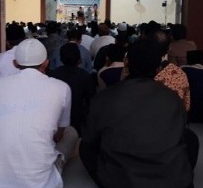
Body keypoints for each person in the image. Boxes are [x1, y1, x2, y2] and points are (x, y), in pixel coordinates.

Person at [80, 39, 193, 188]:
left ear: (126, 62)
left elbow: (90, 139)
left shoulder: (105, 97)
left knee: (85, 146)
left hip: (120, 181)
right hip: (172, 181)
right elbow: (180, 129)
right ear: (159, 69)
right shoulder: (172, 97)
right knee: (191, 139)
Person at [0, 38, 78, 188]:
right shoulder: (62, 88)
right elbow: (59, 135)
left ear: (15, 63)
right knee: (71, 132)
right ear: (46, 63)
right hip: (41, 183)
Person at [50, 43, 96, 137]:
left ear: (61, 59)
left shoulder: (53, 75)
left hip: (56, 117)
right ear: (79, 60)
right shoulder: (85, 76)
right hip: (78, 119)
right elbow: (91, 100)